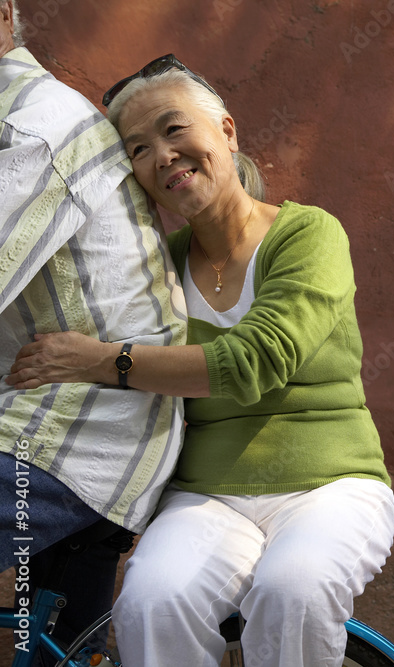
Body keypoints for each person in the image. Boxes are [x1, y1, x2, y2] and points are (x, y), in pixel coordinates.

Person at [8, 53, 394, 667]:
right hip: (207, 496)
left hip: (331, 487)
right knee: (150, 602)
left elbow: (256, 361)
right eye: (136, 149)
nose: (161, 155)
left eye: (173, 129)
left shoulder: (308, 234)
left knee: (293, 589)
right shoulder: (159, 266)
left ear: (227, 131)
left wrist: (104, 360)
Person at [0, 0, 187, 656]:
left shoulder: (40, 127)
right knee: (58, 646)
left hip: (79, 439)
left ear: (4, 17)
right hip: (59, 429)